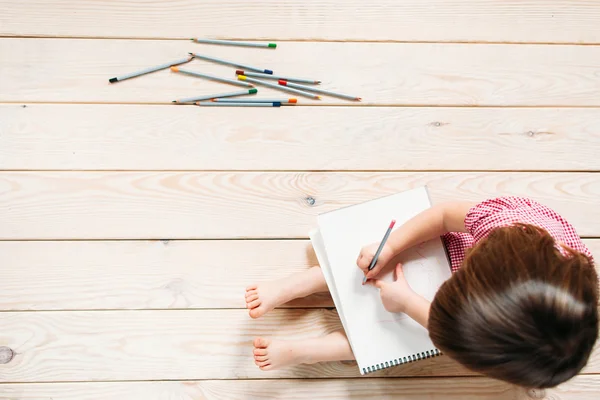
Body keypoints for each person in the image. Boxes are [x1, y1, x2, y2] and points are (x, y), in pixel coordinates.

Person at [244, 196, 598, 388]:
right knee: (368, 261)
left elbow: (447, 328)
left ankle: (310, 351)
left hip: (467, 308)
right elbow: (443, 215)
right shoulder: (506, 224)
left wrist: (408, 302)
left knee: (397, 339)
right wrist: (392, 247)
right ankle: (301, 283)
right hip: (440, 251)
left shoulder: (525, 334)